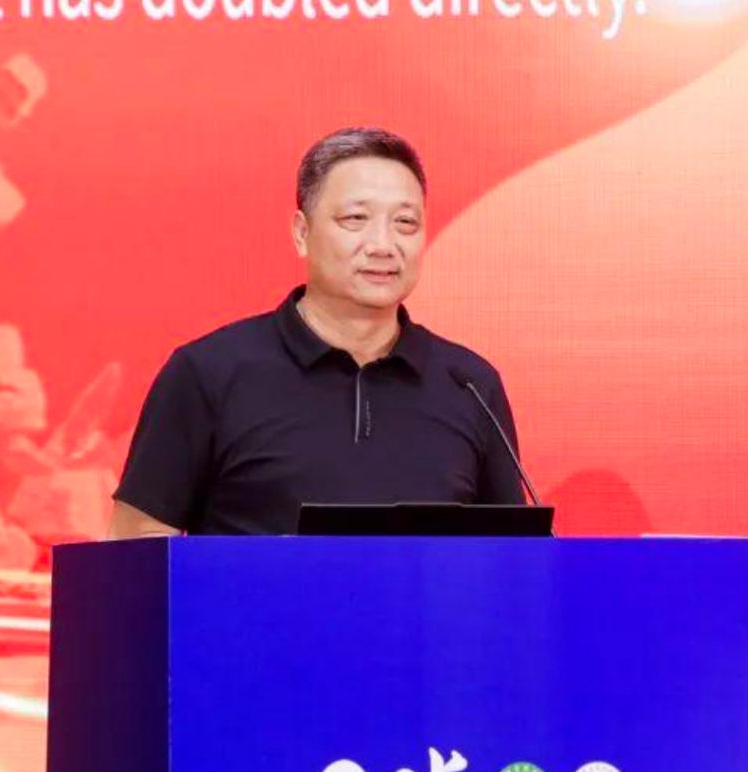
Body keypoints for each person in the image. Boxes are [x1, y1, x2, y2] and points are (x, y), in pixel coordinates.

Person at [108, 127, 525, 538]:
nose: (383, 245)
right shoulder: (208, 373)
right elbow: (137, 541)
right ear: (302, 233)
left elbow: (515, 557)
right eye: (356, 219)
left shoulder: (470, 386)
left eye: (405, 222)